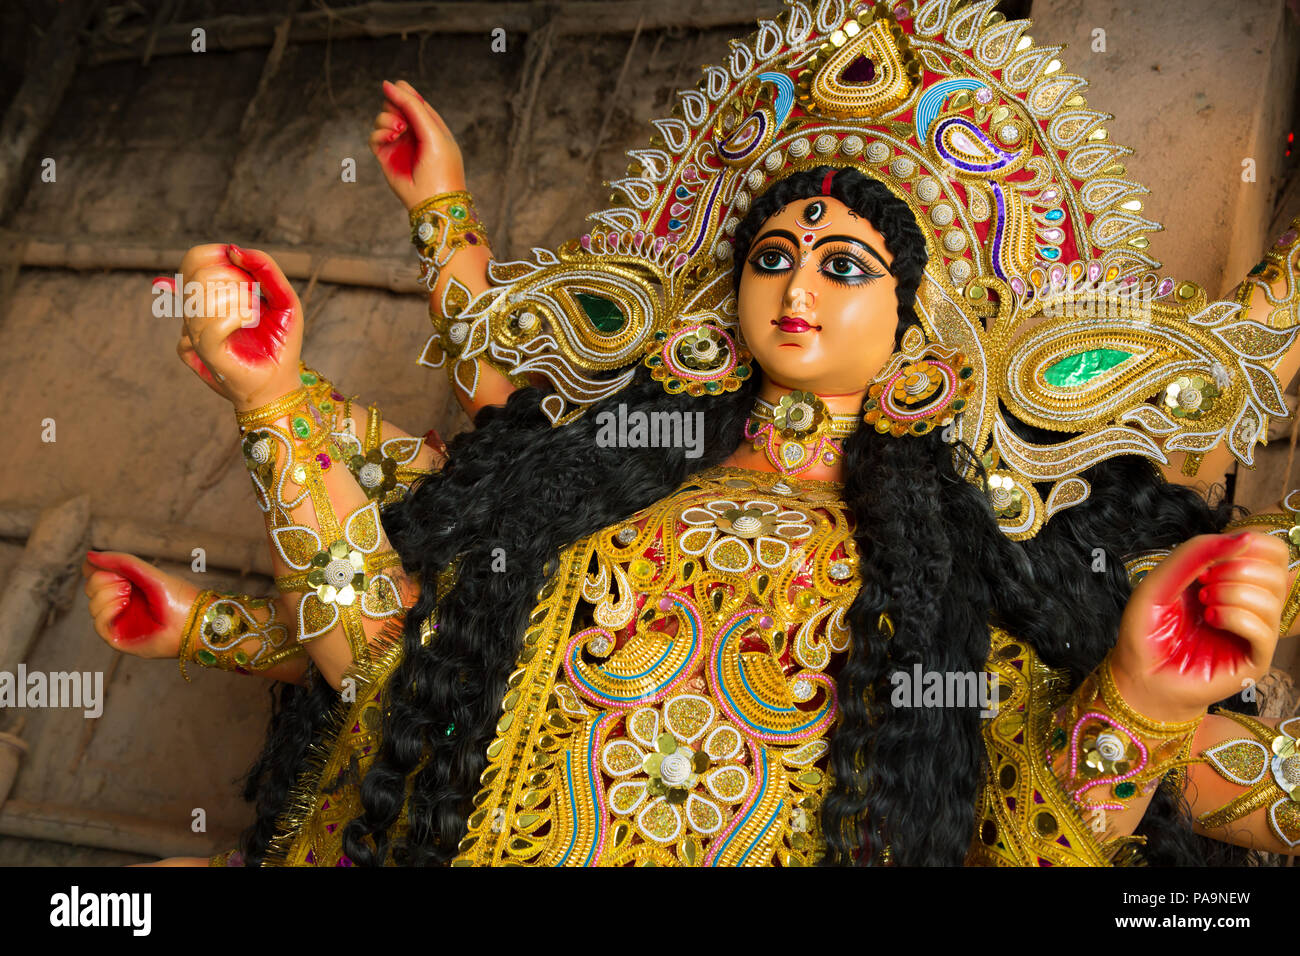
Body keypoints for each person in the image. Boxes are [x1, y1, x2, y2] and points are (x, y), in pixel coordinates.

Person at [82, 1, 1300, 866]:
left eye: (843, 264)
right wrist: (272, 399)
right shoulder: (596, 478)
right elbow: (389, 670)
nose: (796, 287)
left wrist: (1138, 697)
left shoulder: (959, 571)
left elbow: (1023, 835)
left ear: (924, 318)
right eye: (771, 255)